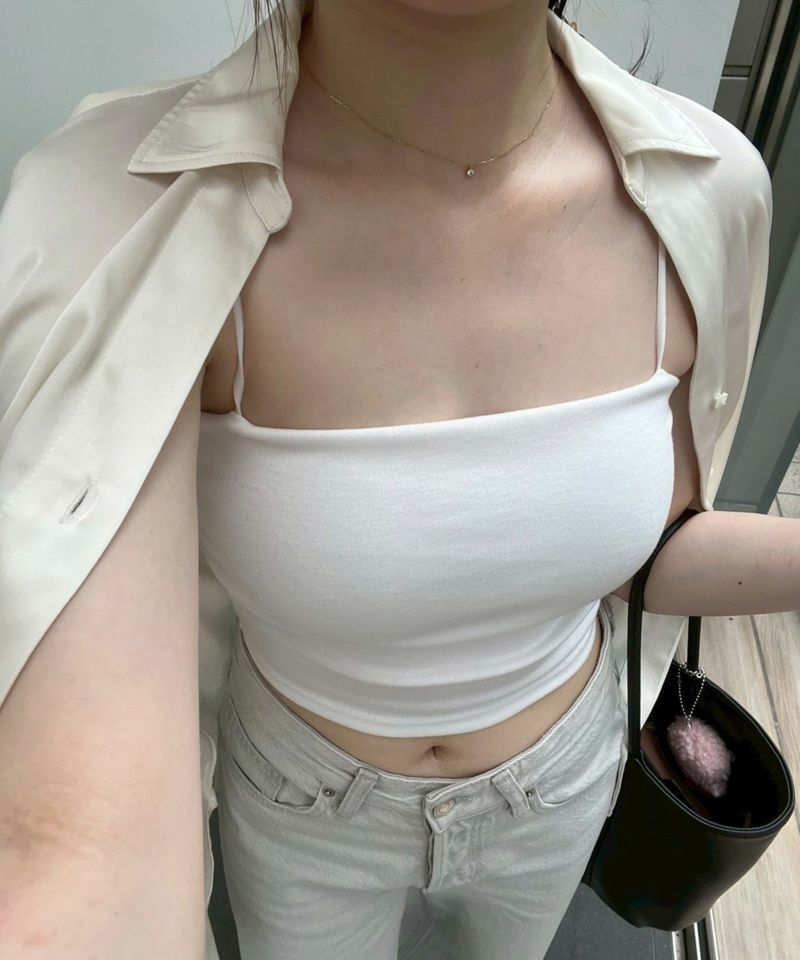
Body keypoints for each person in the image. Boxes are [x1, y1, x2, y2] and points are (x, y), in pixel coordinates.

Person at [0, 0, 773, 958]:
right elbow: (77, 847)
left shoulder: (710, 190)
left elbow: (653, 548)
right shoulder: (120, 216)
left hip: (558, 786)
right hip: (304, 798)